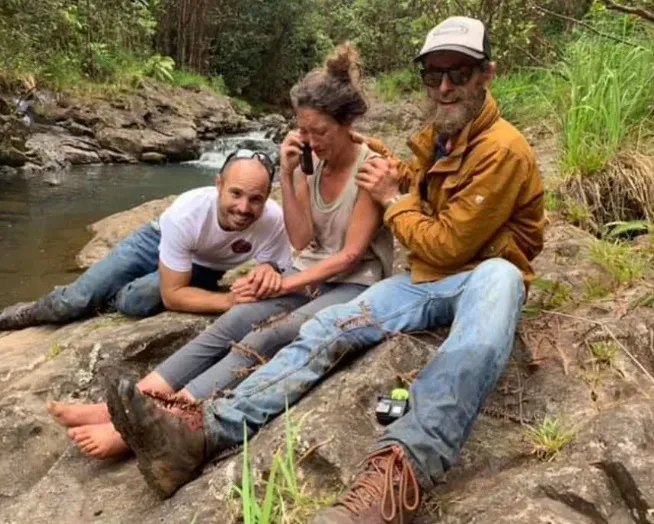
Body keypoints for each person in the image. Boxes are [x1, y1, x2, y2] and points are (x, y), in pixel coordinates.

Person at [104, 15, 545, 520]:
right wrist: (366, 158)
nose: (445, 86)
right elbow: (409, 181)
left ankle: (395, 481)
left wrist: (390, 198)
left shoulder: (503, 149)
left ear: (486, 74)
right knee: (329, 325)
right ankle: (204, 433)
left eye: (459, 73)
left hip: (484, 273)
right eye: (433, 73)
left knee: (480, 334)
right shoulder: (438, 134)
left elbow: (445, 244)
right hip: (424, 281)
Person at [48, 42, 394, 460]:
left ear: (347, 123)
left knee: (275, 333)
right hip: (311, 273)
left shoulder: (372, 167)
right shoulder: (310, 161)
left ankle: (162, 420)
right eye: (302, 130)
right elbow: (302, 241)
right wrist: (286, 173)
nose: (309, 140)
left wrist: (283, 281)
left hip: (354, 283)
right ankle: (125, 404)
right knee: (236, 318)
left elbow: (349, 256)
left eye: (319, 131)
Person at [0, 150, 293, 330]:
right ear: (218, 185)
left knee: (137, 301)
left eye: (256, 199)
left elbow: (280, 265)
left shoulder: (273, 219)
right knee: (75, 301)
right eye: (236, 194)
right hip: (154, 240)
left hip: (203, 265)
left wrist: (270, 267)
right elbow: (173, 296)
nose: (244, 208)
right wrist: (227, 300)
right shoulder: (187, 213)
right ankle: (26, 312)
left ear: (268, 197)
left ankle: (109, 297)